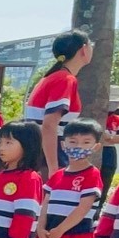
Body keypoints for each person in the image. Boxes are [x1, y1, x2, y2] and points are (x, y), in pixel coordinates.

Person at [25, 29, 91, 175]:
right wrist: (53, 168)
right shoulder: (65, 79)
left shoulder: (52, 77)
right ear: (84, 49)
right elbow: (49, 125)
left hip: (37, 152)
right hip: (50, 155)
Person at [101, 106, 119, 198]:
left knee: (106, 180)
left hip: (108, 151)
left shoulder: (116, 119)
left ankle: (101, 203)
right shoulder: (91, 115)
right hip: (92, 150)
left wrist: (109, 138)